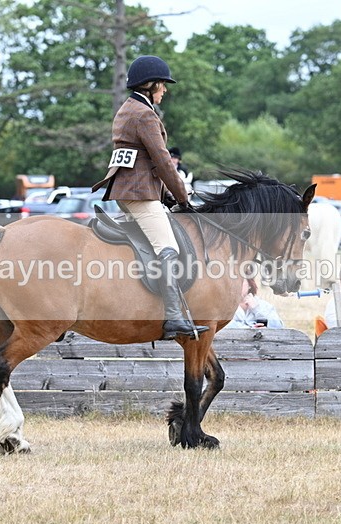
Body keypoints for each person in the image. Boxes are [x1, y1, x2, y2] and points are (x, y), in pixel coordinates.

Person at [92, 55, 207, 340]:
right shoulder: (144, 114)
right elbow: (163, 161)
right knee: (167, 247)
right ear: (150, 84)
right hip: (138, 194)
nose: (165, 91)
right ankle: (173, 316)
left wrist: (166, 195)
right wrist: (182, 197)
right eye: (163, 85)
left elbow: (146, 163)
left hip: (131, 190)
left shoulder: (128, 108)